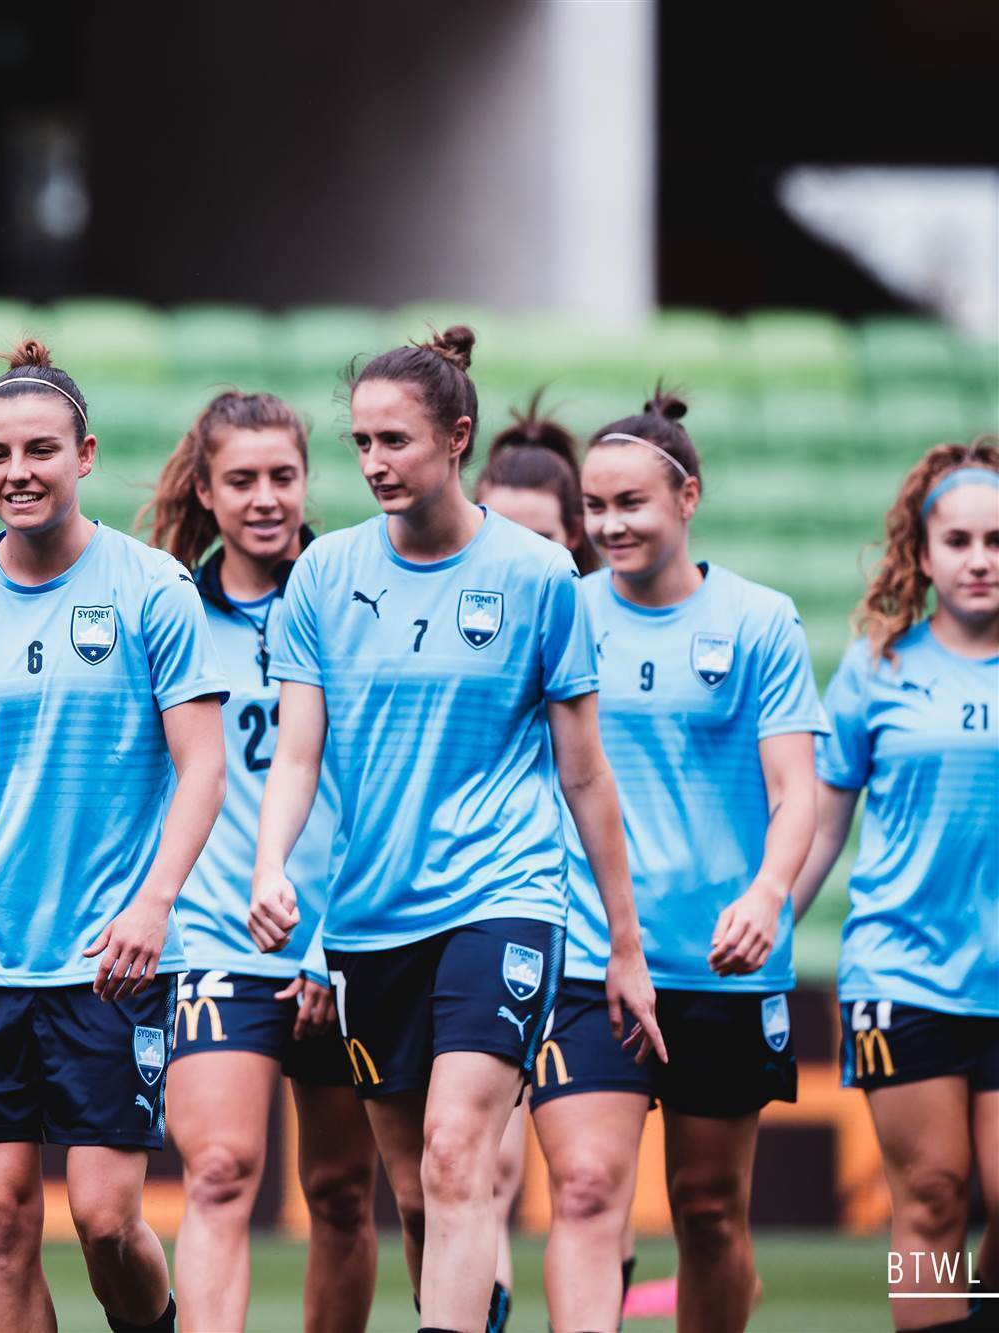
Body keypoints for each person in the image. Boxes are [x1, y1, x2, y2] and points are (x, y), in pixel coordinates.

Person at [249, 326, 664, 1333]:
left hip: (501, 901)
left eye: (395, 439)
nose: (375, 463)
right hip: (366, 920)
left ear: (456, 438)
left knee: (454, 1150)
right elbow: (297, 752)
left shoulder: (533, 577)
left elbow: (583, 773)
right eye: (360, 443)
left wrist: (621, 942)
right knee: (418, 1190)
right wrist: (269, 867)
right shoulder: (322, 576)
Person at [0, 339, 227, 1333]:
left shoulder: (152, 589)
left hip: (108, 958)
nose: (16, 473)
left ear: (84, 455)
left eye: (37, 450)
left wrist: (153, 902)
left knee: (107, 1217)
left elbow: (203, 763)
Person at [529, 391, 824, 1333]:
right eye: (595, 508)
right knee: (582, 1190)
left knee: (707, 1213)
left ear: (686, 496)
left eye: (632, 504)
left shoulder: (760, 621)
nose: (608, 525)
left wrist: (769, 893)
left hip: (719, 964)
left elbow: (798, 793)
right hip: (587, 957)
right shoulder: (562, 614)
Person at [137, 390, 379, 1333]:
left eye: (284, 475)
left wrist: (332, 941)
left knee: (342, 1193)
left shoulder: (360, 603)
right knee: (221, 1174)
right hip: (216, 937)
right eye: (242, 479)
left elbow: (380, 784)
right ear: (206, 488)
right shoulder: (169, 613)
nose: (266, 497)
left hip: (349, 934)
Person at [793, 438, 999, 1328]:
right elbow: (824, 823)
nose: (981, 559)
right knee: (934, 1197)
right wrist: (770, 928)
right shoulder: (877, 670)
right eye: (958, 540)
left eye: (998, 540)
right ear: (922, 552)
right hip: (902, 971)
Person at [468, 394, 600, 1328]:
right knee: (511, 1169)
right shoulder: (450, 628)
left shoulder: (596, 623)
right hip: (524, 927)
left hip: (653, 944)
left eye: (540, 537)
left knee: (708, 1213)